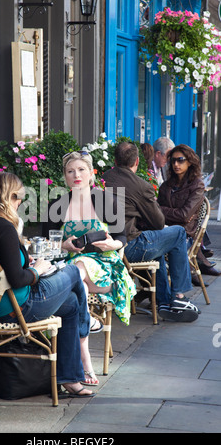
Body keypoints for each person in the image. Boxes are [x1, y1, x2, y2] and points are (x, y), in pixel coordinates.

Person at [0, 171, 96, 398]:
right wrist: (36, 270)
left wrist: (24, 263)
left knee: (70, 303)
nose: (20, 203)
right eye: (19, 198)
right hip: (12, 308)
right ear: (8, 197)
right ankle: (85, 332)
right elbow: (18, 279)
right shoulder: (3, 227)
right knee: (72, 272)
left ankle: (70, 377)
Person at [42, 151, 136, 383]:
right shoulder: (57, 205)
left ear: (91, 173)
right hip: (69, 266)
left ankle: (81, 353)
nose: (76, 175)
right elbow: (47, 244)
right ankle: (85, 357)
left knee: (78, 269)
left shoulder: (105, 200)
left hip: (104, 267)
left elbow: (122, 239)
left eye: (81, 170)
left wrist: (110, 243)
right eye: (70, 171)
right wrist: (63, 244)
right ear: (64, 176)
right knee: (78, 286)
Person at [102, 141, 200, 323]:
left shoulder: (104, 177)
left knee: (159, 246)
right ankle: (178, 296)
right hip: (128, 247)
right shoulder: (140, 185)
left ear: (114, 160)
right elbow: (158, 222)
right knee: (178, 233)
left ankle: (163, 301)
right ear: (137, 161)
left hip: (106, 247)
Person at [158, 144, 220, 278]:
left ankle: (176, 289)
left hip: (185, 233)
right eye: (173, 160)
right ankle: (155, 288)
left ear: (190, 162)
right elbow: (156, 213)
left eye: (180, 160)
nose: (176, 164)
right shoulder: (165, 186)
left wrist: (163, 210)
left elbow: (184, 216)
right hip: (164, 230)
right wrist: (169, 212)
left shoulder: (197, 185)